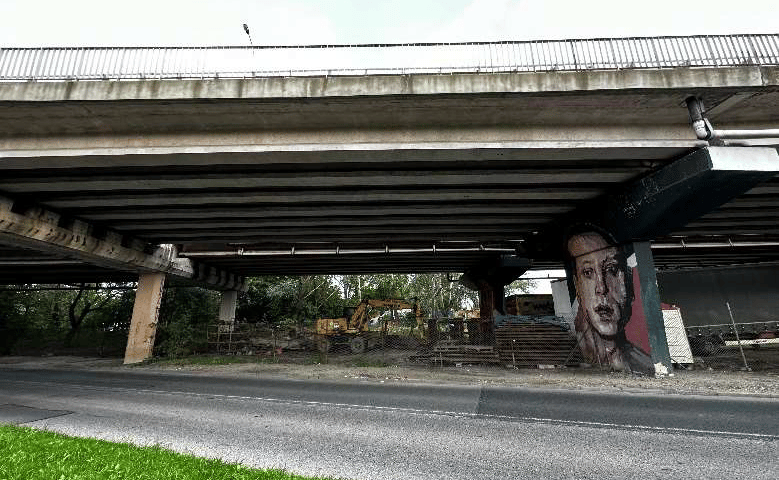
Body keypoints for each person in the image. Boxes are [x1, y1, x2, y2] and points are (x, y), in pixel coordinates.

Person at [566, 226, 653, 374]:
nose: (601, 288)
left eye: (611, 269)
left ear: (628, 283)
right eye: (588, 272)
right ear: (578, 288)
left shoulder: (645, 364)